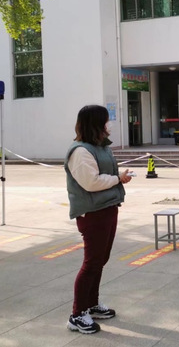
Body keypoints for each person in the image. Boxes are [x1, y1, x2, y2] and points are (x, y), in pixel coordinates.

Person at [65, 105, 133, 334]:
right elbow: (91, 182)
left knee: (100, 260)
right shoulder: (80, 151)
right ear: (95, 124)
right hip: (93, 213)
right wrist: (117, 179)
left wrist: (118, 178)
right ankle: (77, 314)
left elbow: (104, 175)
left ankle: (91, 304)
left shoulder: (100, 146)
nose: (108, 125)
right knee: (92, 263)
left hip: (107, 208)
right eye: (105, 121)